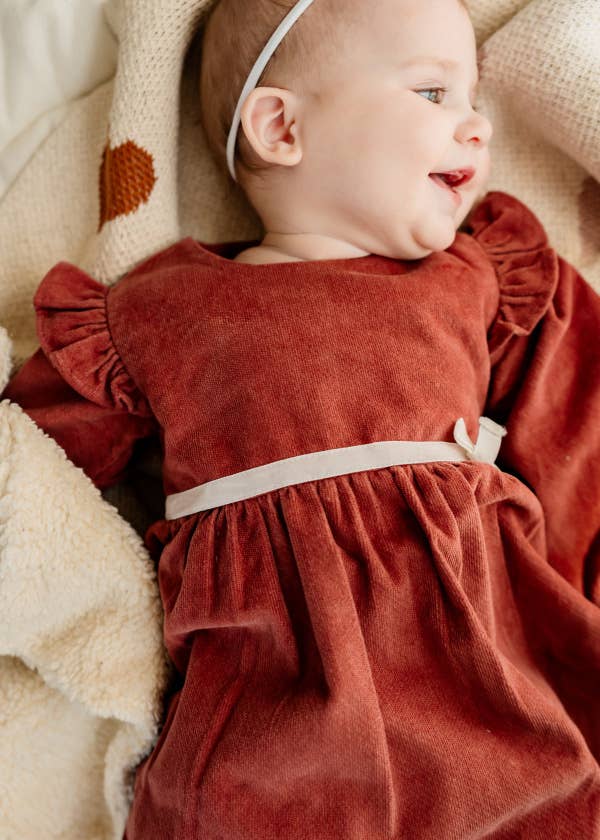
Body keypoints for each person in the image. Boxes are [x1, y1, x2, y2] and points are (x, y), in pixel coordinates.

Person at [3, 0, 600, 836]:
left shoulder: (472, 280)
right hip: (271, 718)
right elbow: (36, 465)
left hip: (487, 688)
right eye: (434, 93)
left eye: (473, 99)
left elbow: (573, 422)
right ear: (282, 127)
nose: (478, 127)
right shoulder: (166, 309)